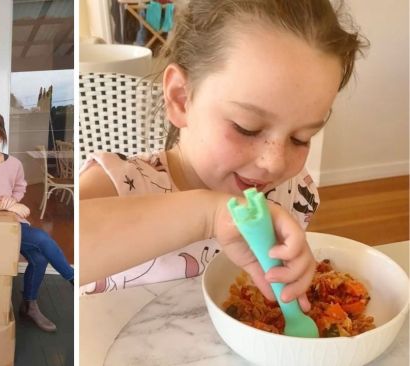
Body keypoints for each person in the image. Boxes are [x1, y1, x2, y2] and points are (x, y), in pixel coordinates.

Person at [80, 0, 366, 310]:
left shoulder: (292, 193)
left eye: (301, 138)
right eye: (247, 128)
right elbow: (64, 249)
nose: (275, 163)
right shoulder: (120, 184)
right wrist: (212, 215)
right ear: (180, 98)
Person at [0, 110, 74, 332]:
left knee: (38, 257)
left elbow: (20, 188)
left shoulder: (14, 164)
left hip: (9, 224)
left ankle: (29, 305)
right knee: (40, 238)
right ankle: (73, 279)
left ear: (1, 136)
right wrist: (8, 205)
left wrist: (13, 200)